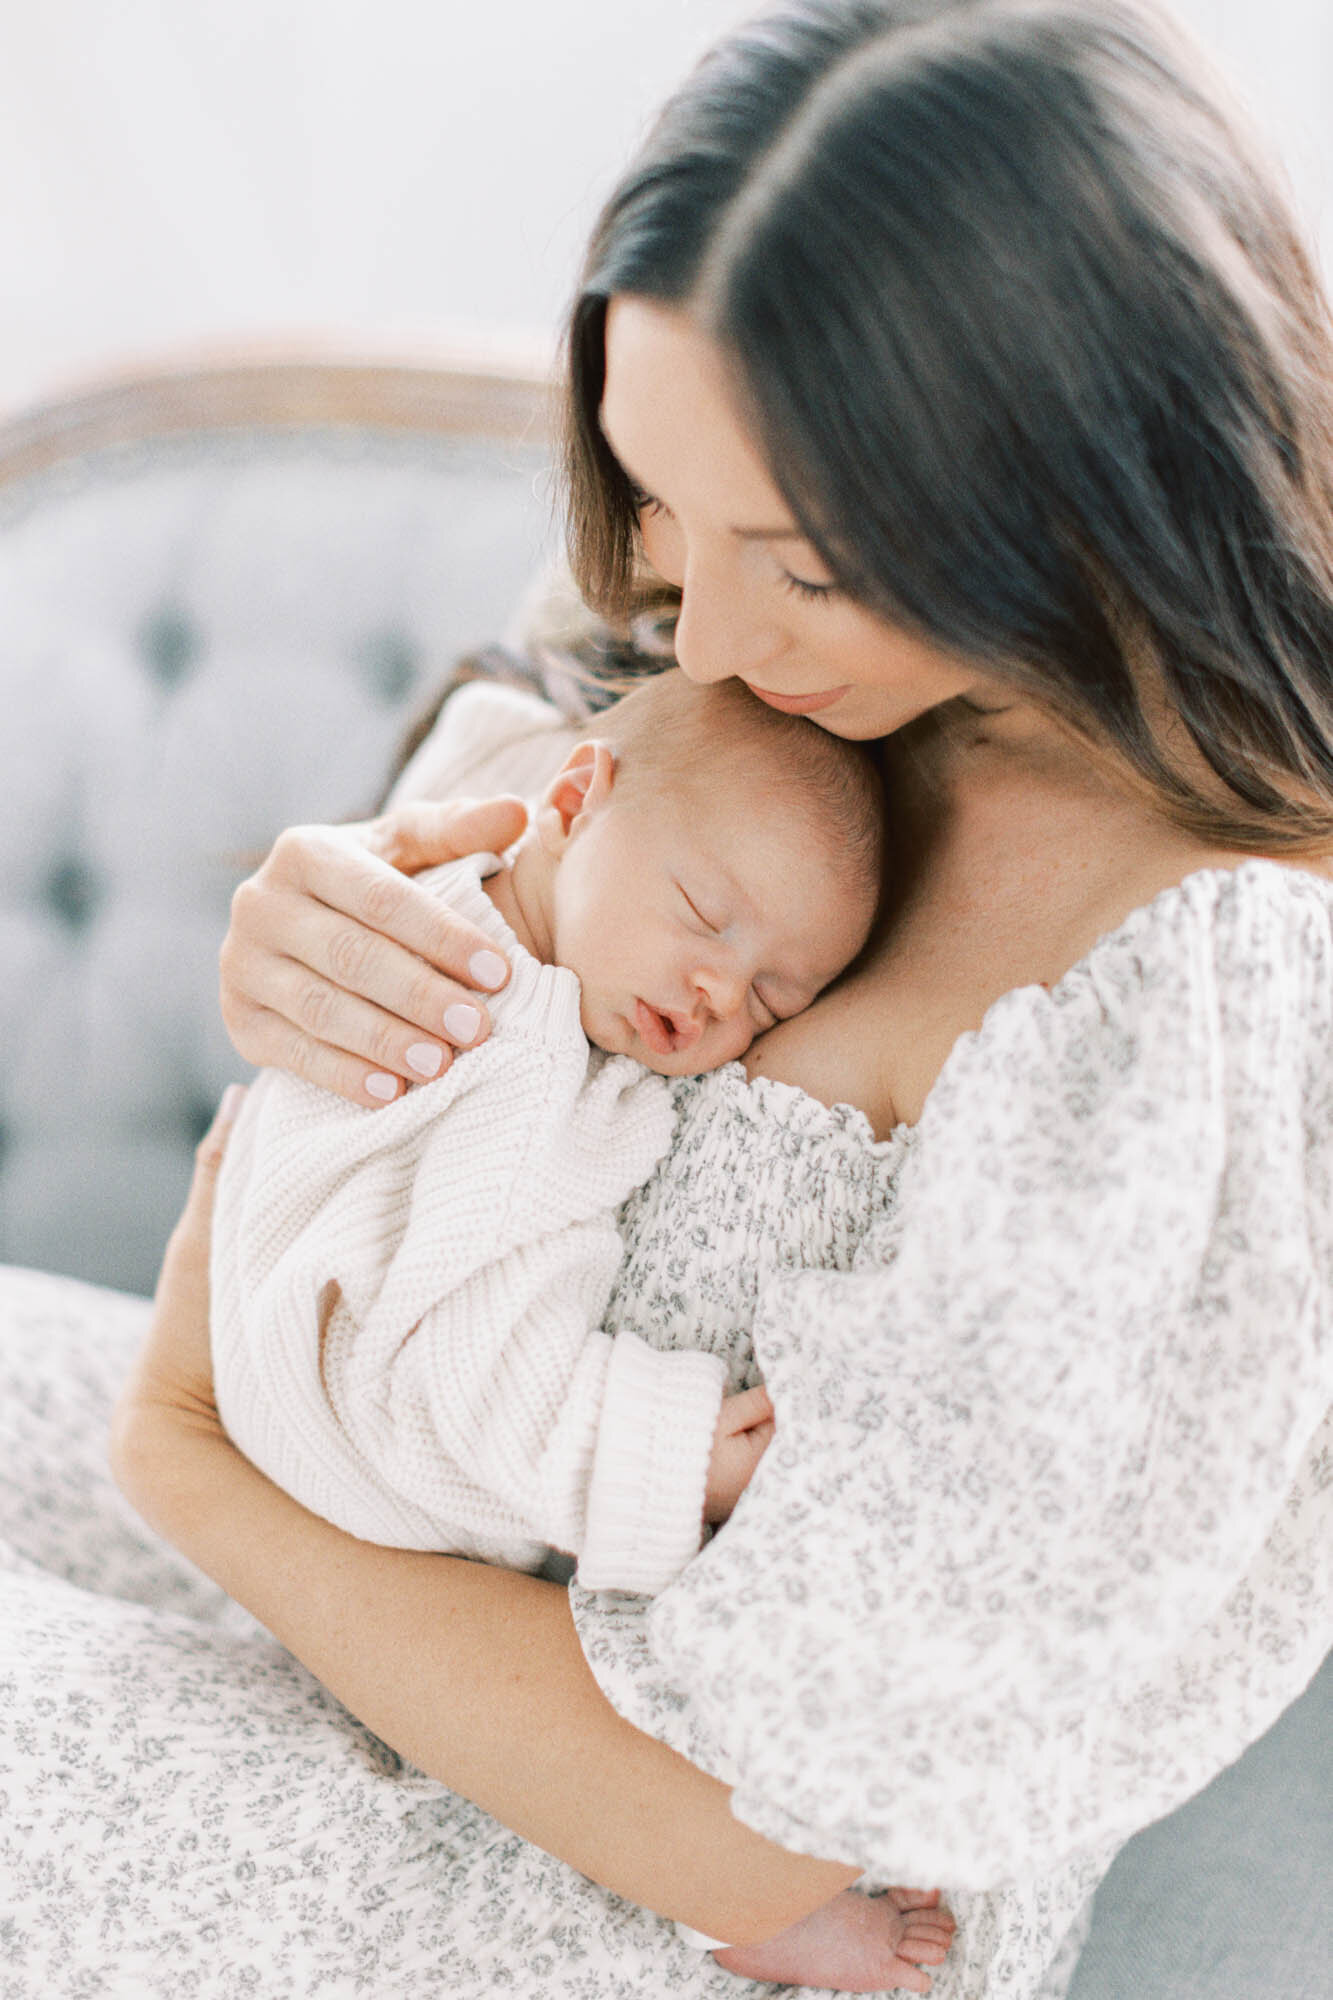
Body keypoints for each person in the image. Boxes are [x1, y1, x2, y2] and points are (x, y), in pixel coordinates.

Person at [4, 2, 1333, 1996]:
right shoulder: (764, 672)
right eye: (654, 499)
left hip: (629, 1879)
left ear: (1094, 491)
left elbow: (767, 1814)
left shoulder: (1202, 985)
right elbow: (388, 1145)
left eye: (796, 562)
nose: (694, 630)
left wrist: (190, 1455)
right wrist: (326, 944)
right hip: (396, 1541)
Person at [208, 666, 955, 1991]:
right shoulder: (511, 1036)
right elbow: (468, 1370)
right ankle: (726, 1891)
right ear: (569, 798)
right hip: (358, 1458)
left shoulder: (500, 933)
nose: (718, 990)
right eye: (701, 917)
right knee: (631, 1611)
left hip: (280, 1418)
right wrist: (687, 1456)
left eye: (777, 996)